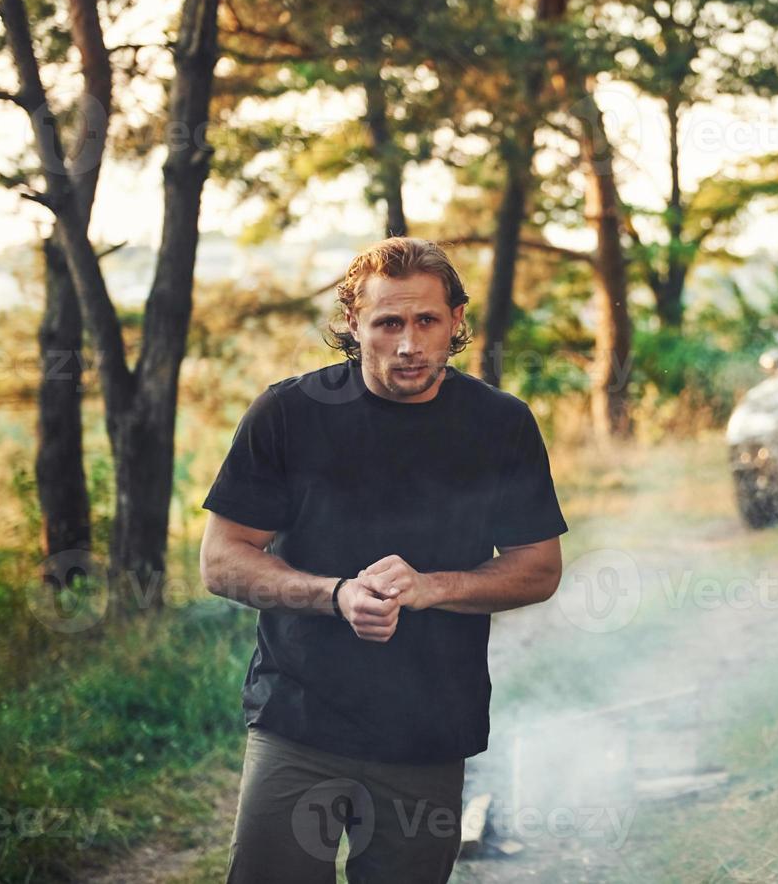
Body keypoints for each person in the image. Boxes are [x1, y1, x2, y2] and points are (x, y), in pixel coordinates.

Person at [199, 237, 568, 884]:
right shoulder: (289, 413)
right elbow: (223, 559)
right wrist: (335, 595)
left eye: (426, 321)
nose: (408, 343)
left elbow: (538, 566)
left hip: (430, 731)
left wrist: (429, 588)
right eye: (387, 322)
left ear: (456, 320)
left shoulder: (499, 424)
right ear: (352, 324)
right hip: (300, 722)